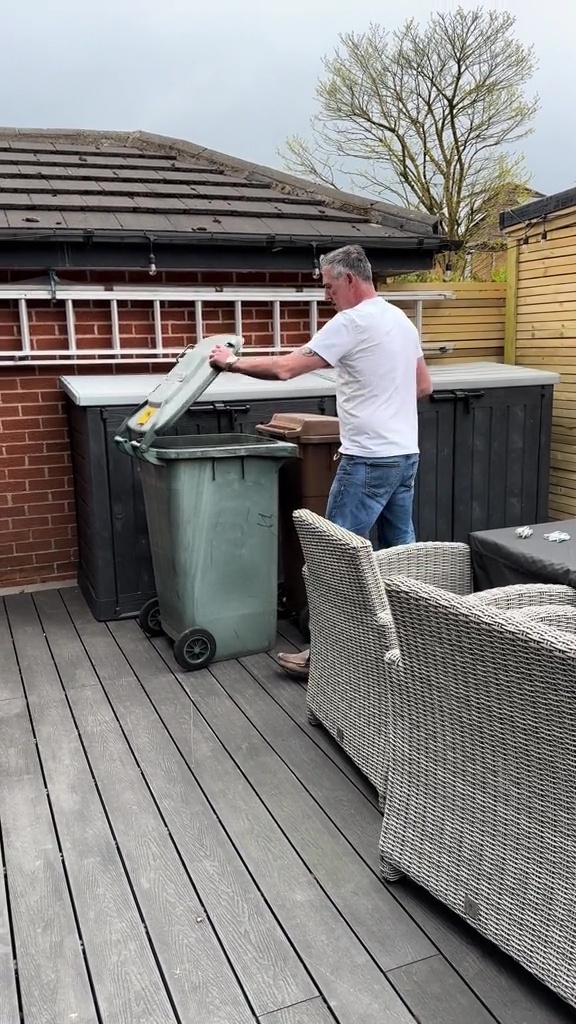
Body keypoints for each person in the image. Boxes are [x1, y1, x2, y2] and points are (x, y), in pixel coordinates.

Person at [209, 243, 432, 679]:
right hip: (404, 454)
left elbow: (285, 369)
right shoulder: (400, 319)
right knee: (401, 553)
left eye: (329, 286)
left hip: (367, 459)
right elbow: (423, 385)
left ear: (350, 279)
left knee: (333, 558)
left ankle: (325, 659)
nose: (326, 294)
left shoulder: (351, 322)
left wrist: (230, 362)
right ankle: (412, 642)